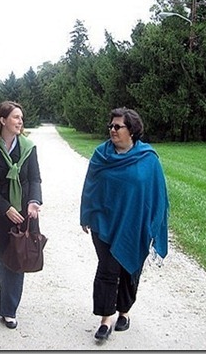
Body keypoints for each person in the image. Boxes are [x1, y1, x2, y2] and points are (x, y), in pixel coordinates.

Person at [80, 107, 169, 341]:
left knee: (130, 269)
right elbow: (90, 186)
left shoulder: (148, 158)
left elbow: (158, 194)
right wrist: (86, 214)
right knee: (107, 268)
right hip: (104, 223)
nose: (112, 130)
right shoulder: (101, 155)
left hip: (134, 224)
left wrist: (155, 224)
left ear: (132, 130)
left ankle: (124, 311)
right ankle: (105, 319)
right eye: (111, 125)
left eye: (117, 126)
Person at [0, 101, 43, 330]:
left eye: (21, 118)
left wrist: (34, 202)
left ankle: (9, 310)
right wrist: (5, 207)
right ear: (2, 120)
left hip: (23, 214)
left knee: (17, 260)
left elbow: (34, 178)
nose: (20, 121)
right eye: (15, 117)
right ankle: (7, 295)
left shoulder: (28, 148)